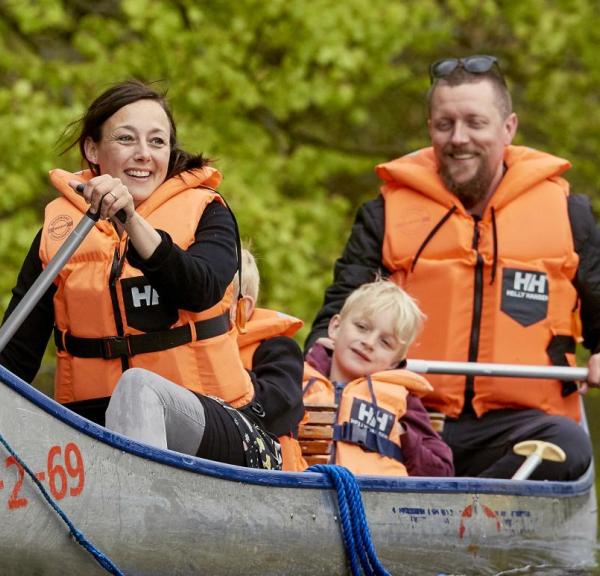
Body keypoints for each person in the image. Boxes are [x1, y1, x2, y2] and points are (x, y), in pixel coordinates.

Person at [305, 55, 600, 481]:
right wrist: (311, 380)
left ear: (508, 128)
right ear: (430, 130)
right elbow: (340, 308)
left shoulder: (569, 215)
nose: (459, 138)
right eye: (445, 125)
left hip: (515, 426)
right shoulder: (383, 214)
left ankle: (465, 504)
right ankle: (433, 494)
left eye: (475, 123)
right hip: (409, 413)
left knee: (568, 447)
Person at [0, 79, 254, 442]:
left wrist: (131, 221)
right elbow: (15, 360)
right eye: (125, 139)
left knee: (137, 389)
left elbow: (201, 290)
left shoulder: (207, 212)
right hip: (93, 426)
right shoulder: (58, 235)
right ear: (92, 148)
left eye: (157, 141)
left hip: (216, 419)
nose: (143, 153)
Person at [303, 280, 454, 477]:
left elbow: (442, 471)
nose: (369, 342)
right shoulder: (294, 381)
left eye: (385, 342)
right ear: (335, 327)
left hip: (370, 503)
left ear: (395, 362)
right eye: (361, 327)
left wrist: (401, 433)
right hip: (297, 498)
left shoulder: (404, 402)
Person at [233, 247, 307, 471]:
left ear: (243, 308)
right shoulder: (187, 351)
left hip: (278, 480)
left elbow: (278, 405)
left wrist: (218, 370)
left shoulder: (278, 350)